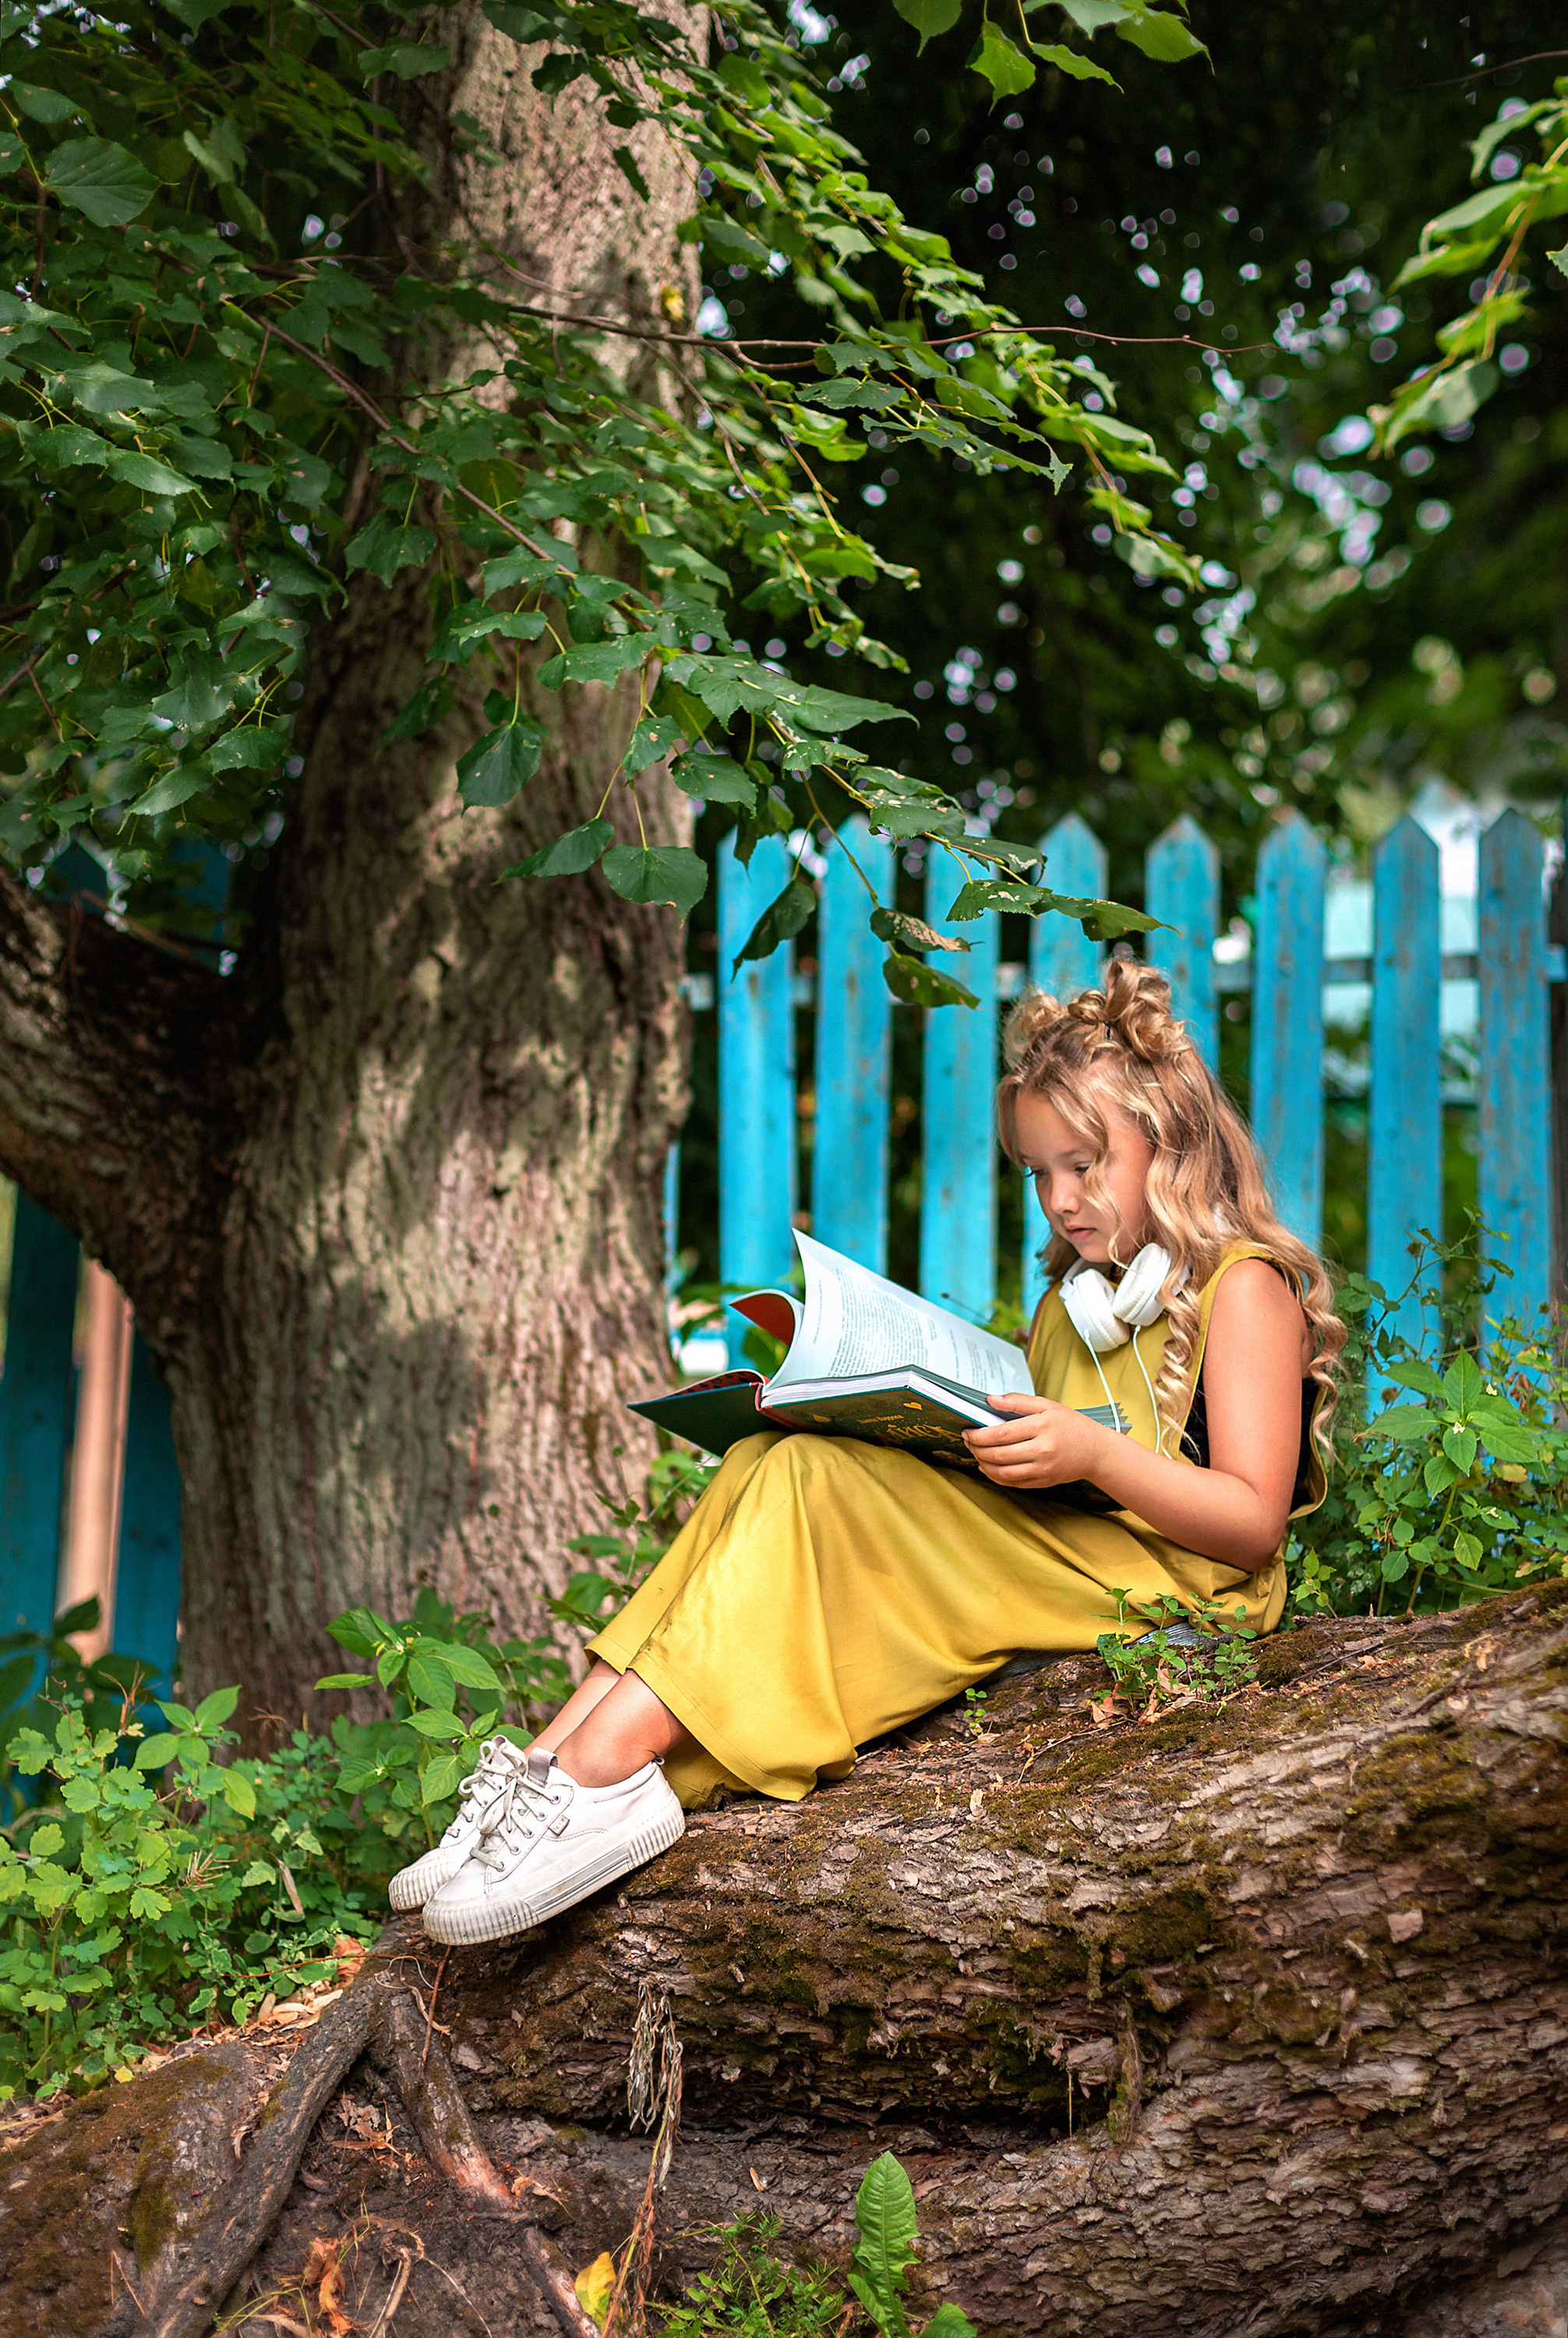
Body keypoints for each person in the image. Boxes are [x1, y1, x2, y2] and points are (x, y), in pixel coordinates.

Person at [399, 961, 1346, 1948]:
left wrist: (1092, 1460)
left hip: (1173, 1585)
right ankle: (550, 1771)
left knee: (815, 1483)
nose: (1060, 1200)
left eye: (1085, 1163)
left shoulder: (1242, 1288)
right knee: (775, 1461)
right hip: (1068, 1553)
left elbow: (1250, 1527)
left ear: (1170, 1144)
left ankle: (607, 1773)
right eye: (1037, 1174)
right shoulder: (1071, 1306)